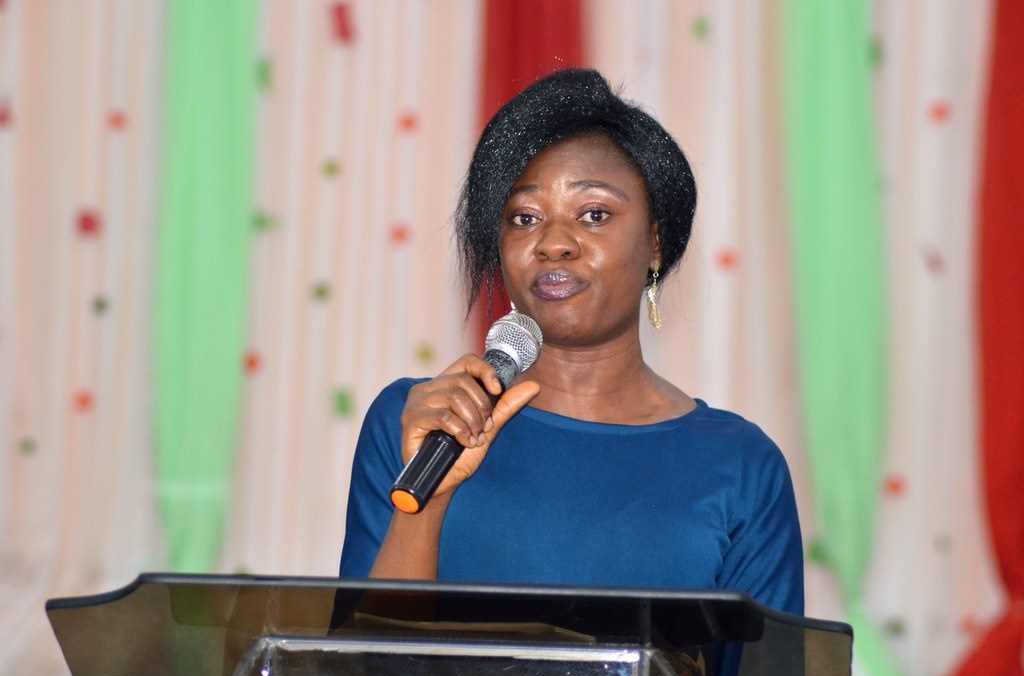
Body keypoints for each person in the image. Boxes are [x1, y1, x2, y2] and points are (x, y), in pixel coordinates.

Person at [339, 69, 803, 619]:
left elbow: (767, 661)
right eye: (524, 218)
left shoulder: (741, 464)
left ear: (655, 242)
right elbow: (360, 654)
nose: (553, 243)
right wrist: (427, 506)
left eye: (594, 215)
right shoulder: (422, 424)